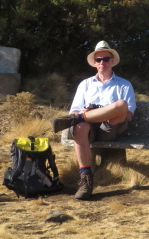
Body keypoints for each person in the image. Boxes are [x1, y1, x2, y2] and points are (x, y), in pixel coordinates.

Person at [51, 40, 136, 200]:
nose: (102, 62)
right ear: (95, 63)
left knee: (120, 104)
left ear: (112, 61)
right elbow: (74, 109)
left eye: (105, 59)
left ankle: (82, 118)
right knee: (80, 127)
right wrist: (83, 112)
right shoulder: (85, 84)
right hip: (89, 127)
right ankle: (85, 179)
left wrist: (98, 112)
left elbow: (128, 113)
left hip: (110, 126)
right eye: (98, 60)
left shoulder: (124, 85)